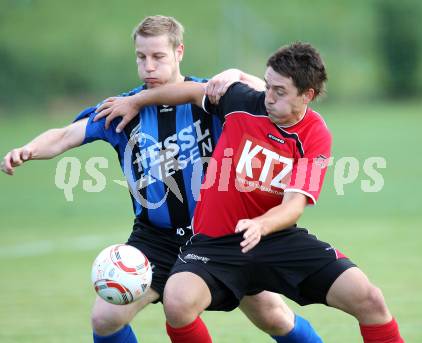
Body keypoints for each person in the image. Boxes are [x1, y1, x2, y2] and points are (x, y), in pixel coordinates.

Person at [1, 16, 323, 343]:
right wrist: (27, 150)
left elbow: (267, 96)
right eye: (141, 57)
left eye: (158, 57)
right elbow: (65, 135)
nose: (148, 67)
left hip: (218, 235)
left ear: (178, 52)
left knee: (273, 316)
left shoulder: (210, 96)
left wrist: (236, 74)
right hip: (156, 240)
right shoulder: (123, 110)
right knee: (105, 318)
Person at [94, 41, 405, 343]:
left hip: (275, 238)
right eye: (267, 85)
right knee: (177, 302)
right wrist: (137, 101)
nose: (268, 97)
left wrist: (261, 225)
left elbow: (294, 205)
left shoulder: (316, 135)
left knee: (370, 300)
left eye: (279, 91)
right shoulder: (243, 101)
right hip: (214, 242)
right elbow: (191, 91)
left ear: (307, 95)